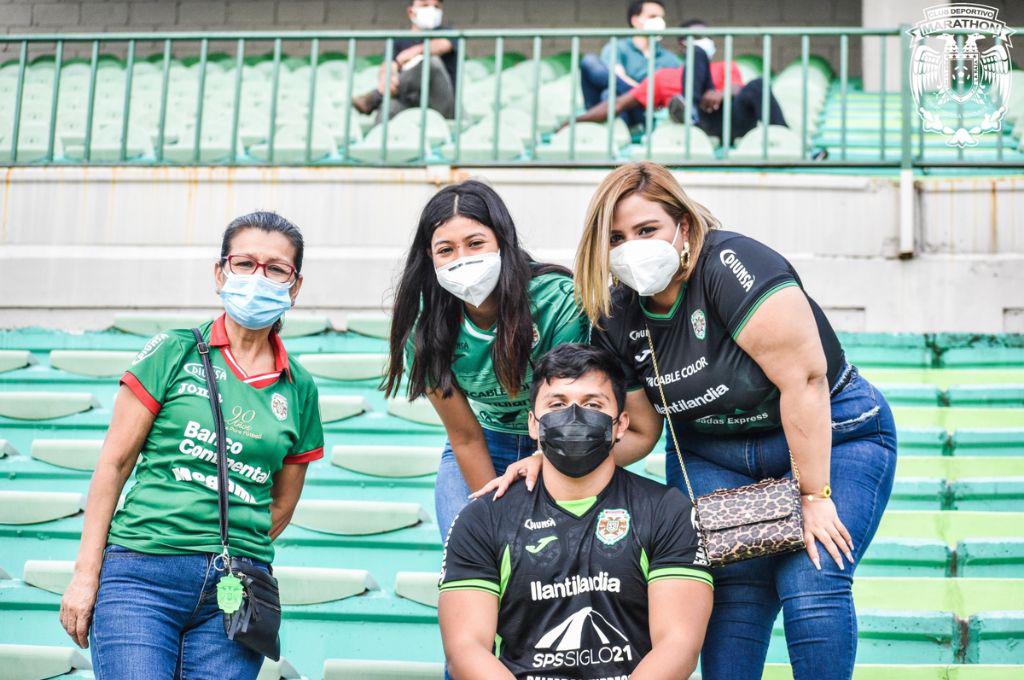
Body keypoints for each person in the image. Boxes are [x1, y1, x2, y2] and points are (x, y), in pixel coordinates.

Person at [476, 162, 898, 680]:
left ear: (684, 225)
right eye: (616, 238)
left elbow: (804, 383)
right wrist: (547, 461)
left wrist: (813, 496)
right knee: (734, 593)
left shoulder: (732, 265)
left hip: (832, 436)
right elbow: (642, 431)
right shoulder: (614, 313)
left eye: (646, 229)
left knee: (811, 582)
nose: (631, 246)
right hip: (712, 453)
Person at [58, 212, 325, 679]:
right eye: (245, 263)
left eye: (275, 268)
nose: (258, 277)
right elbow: (114, 465)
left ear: (294, 286)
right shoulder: (173, 350)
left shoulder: (299, 386)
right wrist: (86, 574)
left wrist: (234, 542)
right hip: (141, 577)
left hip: (238, 589)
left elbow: (281, 504)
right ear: (221, 272)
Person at [439, 343, 712, 680]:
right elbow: (466, 648)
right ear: (533, 425)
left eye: (592, 404)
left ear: (621, 424)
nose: (574, 416)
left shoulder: (667, 512)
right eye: (557, 404)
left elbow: (678, 645)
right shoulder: (481, 520)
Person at [383, 180, 590, 542]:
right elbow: (464, 437)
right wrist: (495, 509)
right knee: (475, 550)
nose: (462, 258)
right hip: (486, 440)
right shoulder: (423, 324)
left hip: (563, 440)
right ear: (429, 258)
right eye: (446, 249)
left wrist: (544, 460)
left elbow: (569, 407)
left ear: (502, 241)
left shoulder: (558, 300)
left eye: (475, 243)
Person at [571, 22, 786, 143]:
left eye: (708, 38)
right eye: (698, 38)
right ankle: (687, 107)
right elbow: (619, 104)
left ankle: (785, 140)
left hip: (729, 116)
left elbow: (739, 88)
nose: (707, 43)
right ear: (683, 44)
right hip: (701, 124)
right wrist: (574, 121)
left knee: (757, 84)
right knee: (697, 56)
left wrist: (722, 93)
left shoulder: (725, 67)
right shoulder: (665, 76)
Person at [578, 1, 680, 127]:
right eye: (652, 17)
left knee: (610, 94)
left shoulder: (670, 59)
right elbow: (616, 77)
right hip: (618, 106)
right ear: (635, 21)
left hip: (646, 113)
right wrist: (643, 93)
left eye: (661, 18)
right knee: (594, 68)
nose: (659, 22)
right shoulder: (617, 47)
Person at [352, 0, 457, 120]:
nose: (432, 10)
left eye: (436, 6)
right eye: (425, 5)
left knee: (432, 62)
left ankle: (376, 96)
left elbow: (443, 45)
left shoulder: (449, 33)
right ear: (411, 12)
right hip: (408, 102)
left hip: (441, 105)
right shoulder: (398, 40)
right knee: (388, 108)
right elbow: (387, 66)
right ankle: (376, 136)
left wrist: (415, 51)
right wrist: (387, 78)